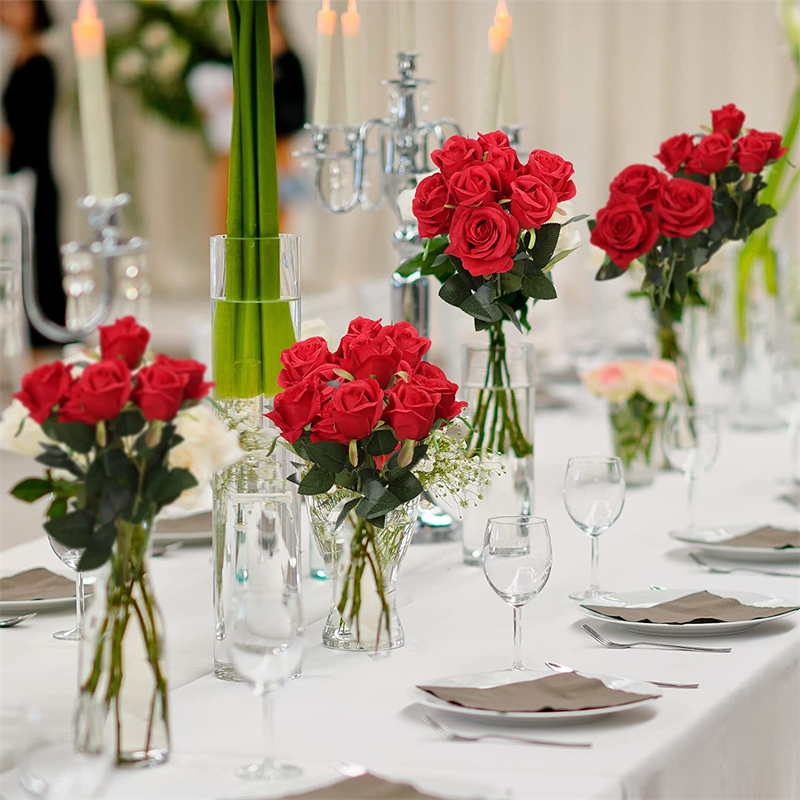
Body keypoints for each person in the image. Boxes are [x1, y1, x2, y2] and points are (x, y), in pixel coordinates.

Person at [1, 0, 64, 347]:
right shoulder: (16, 59)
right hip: (18, 172)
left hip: (37, 174)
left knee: (40, 262)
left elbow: (33, 127)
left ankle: (46, 342)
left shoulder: (42, 62)